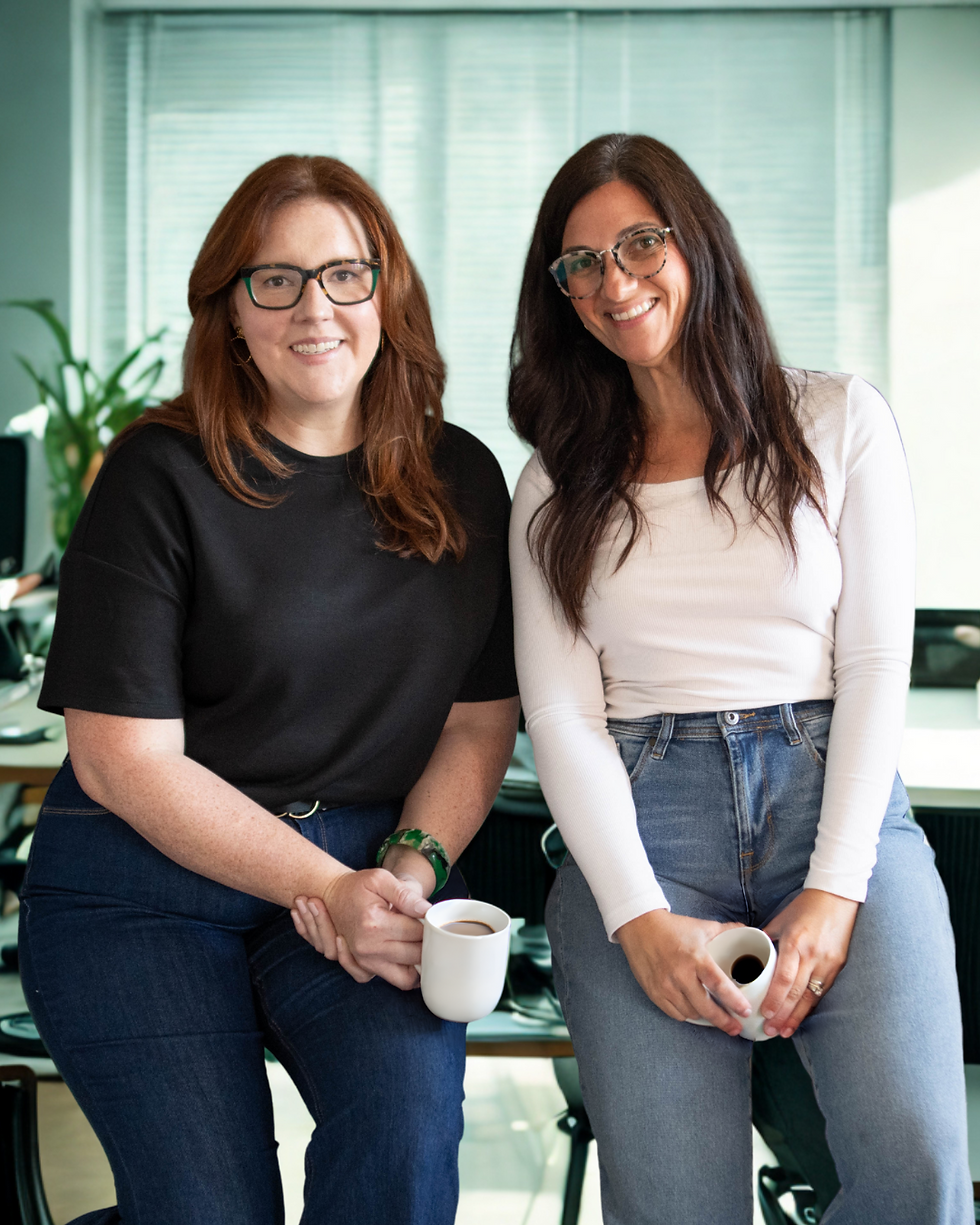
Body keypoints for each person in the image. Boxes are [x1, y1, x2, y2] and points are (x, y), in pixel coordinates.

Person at [20, 154, 519, 1225]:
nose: (313, 308)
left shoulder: (463, 480)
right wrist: (328, 886)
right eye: (274, 280)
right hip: (136, 888)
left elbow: (478, 723)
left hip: (359, 864)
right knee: (207, 1211)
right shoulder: (157, 473)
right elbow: (122, 759)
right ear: (230, 311)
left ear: (387, 293)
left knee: (404, 1147)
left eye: (344, 274)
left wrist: (404, 869)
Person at [508, 132, 972, 1224]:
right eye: (580, 264)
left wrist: (834, 885)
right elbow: (562, 712)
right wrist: (634, 916)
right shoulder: (553, 480)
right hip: (642, 816)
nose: (613, 283)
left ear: (695, 242)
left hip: (834, 800)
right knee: (675, 1209)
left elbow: (870, 662)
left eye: (638, 243)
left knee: (917, 1176)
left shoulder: (835, 418)